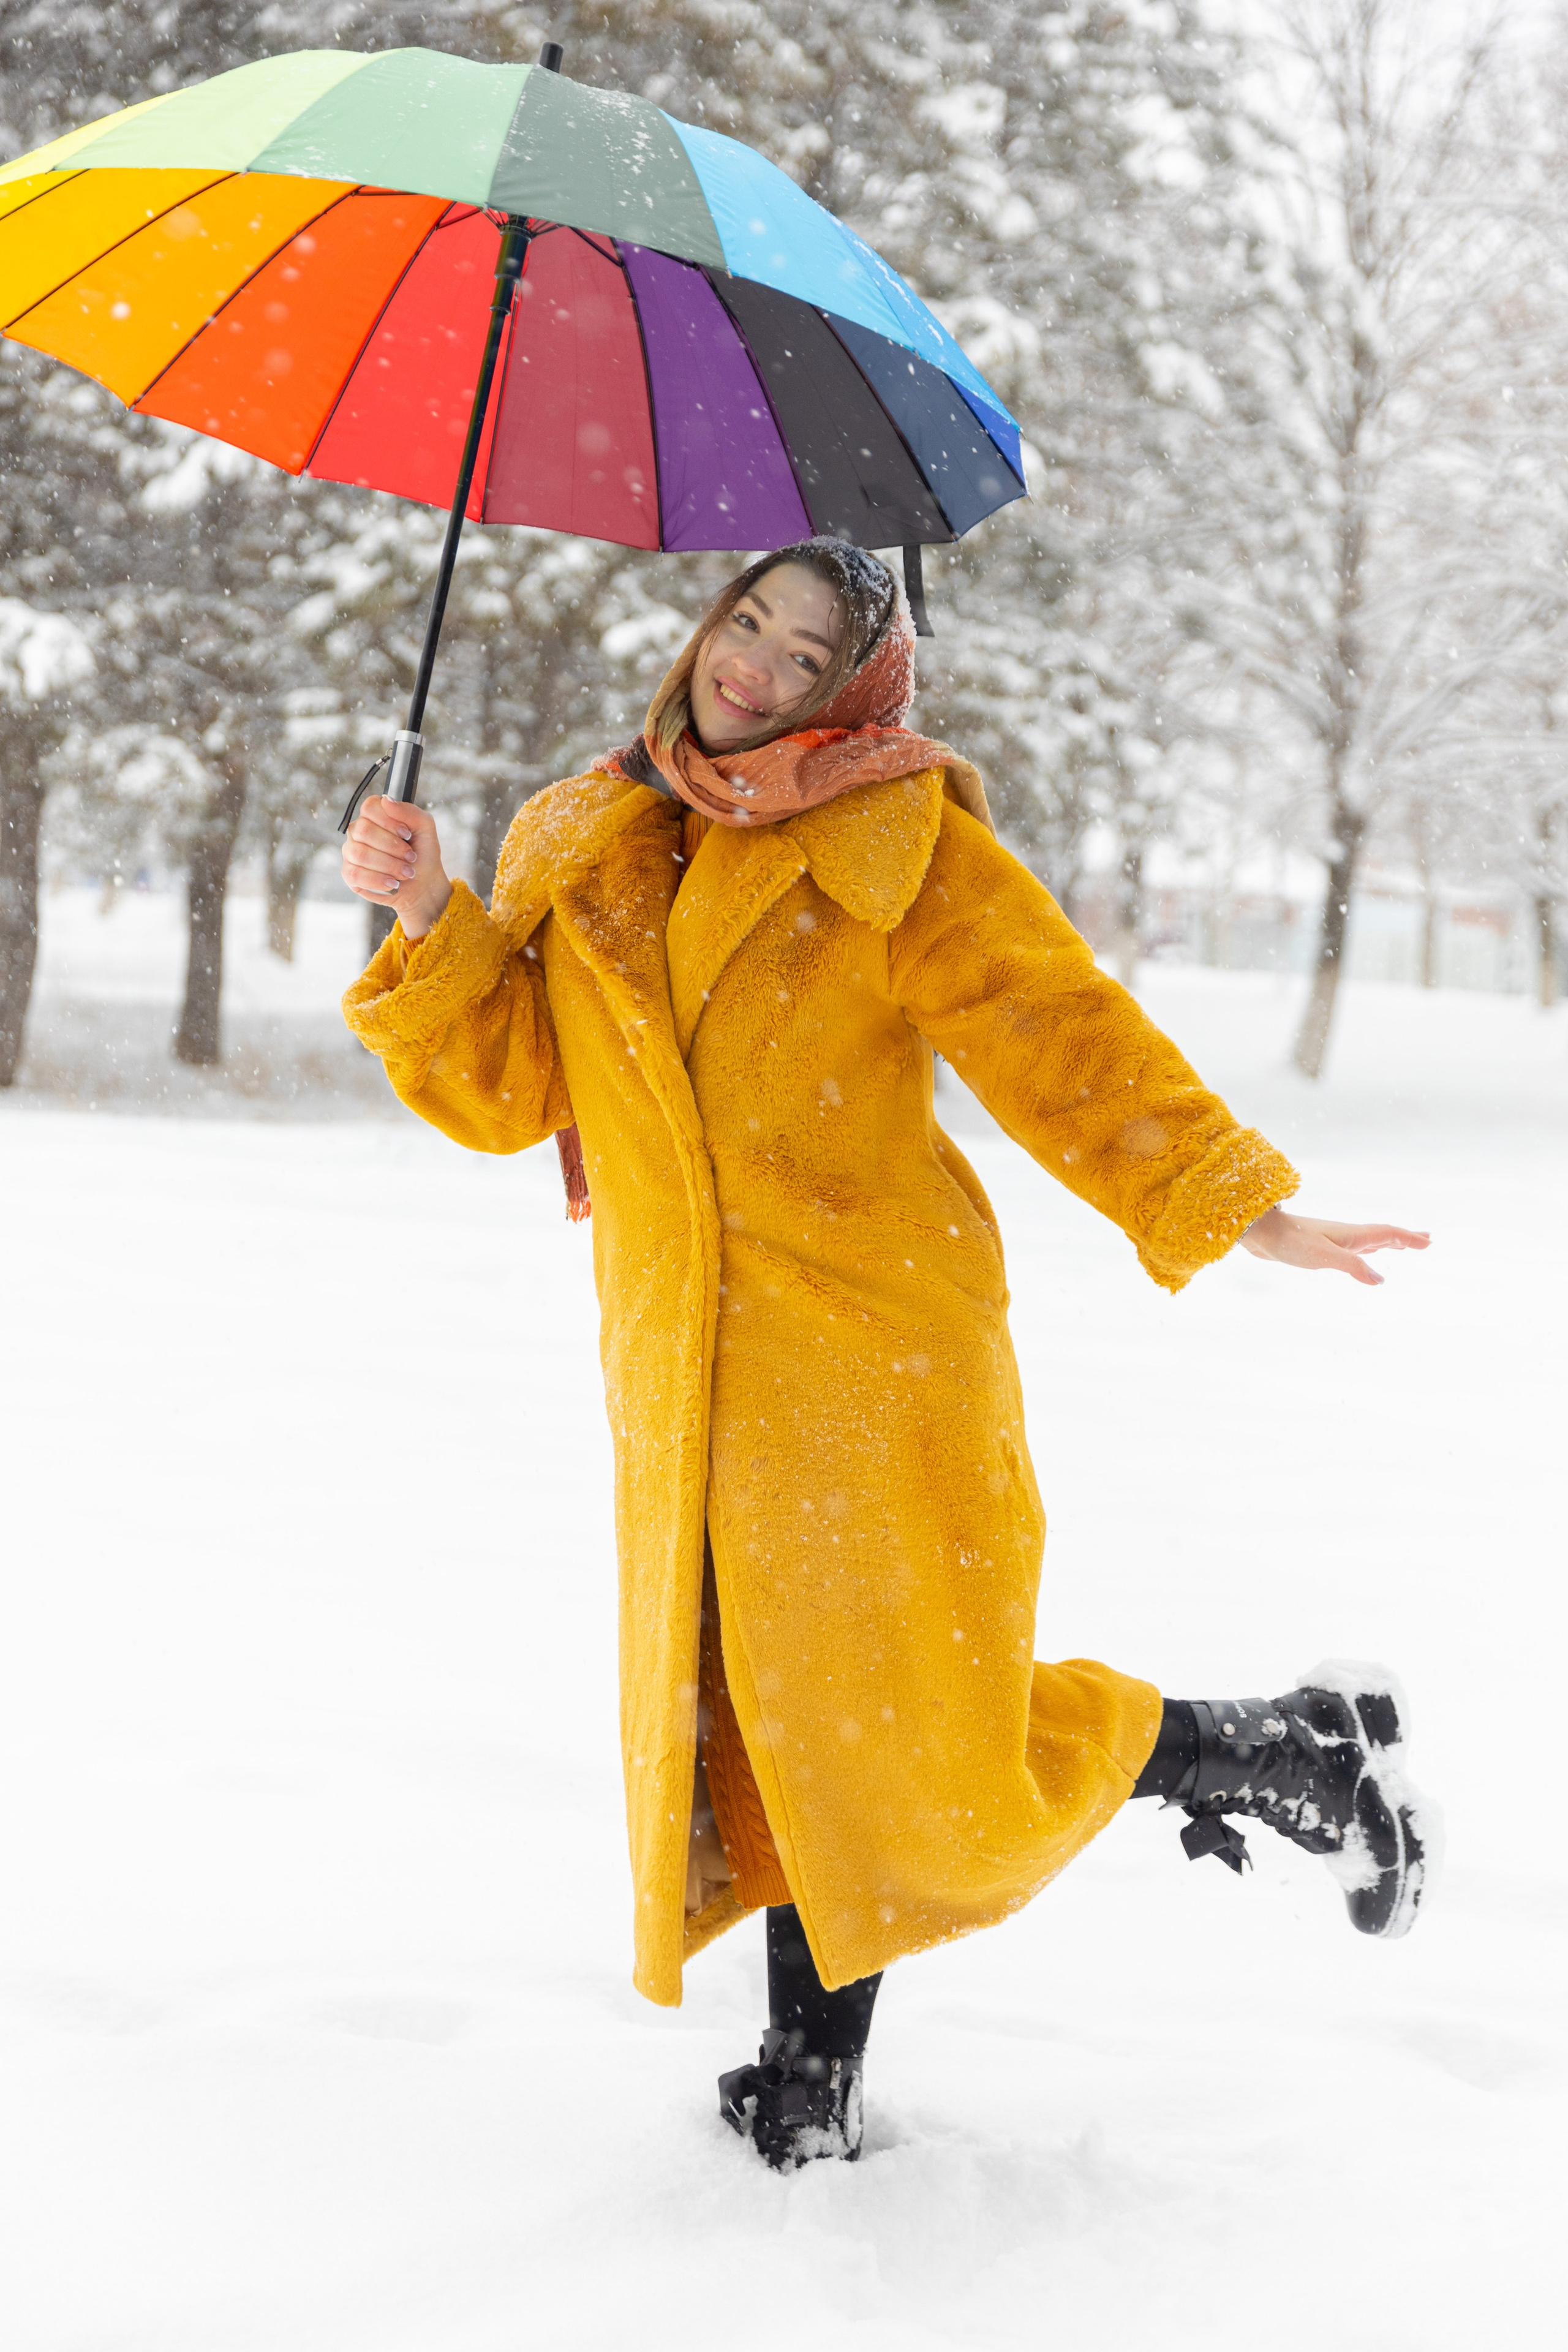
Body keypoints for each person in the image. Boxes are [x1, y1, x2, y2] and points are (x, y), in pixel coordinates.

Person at [341, 538, 1433, 2171]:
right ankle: (809, 2076)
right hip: (687, 1373)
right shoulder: (591, 831)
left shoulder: (891, 837)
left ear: (851, 693)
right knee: (780, 1723)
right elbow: (514, 1094)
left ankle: (1283, 1750)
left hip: (870, 1355)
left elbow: (1057, 1027)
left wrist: (1231, 1200)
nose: (755, 667)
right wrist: (432, 913)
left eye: (804, 656)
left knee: (917, 1751)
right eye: (749, 622)